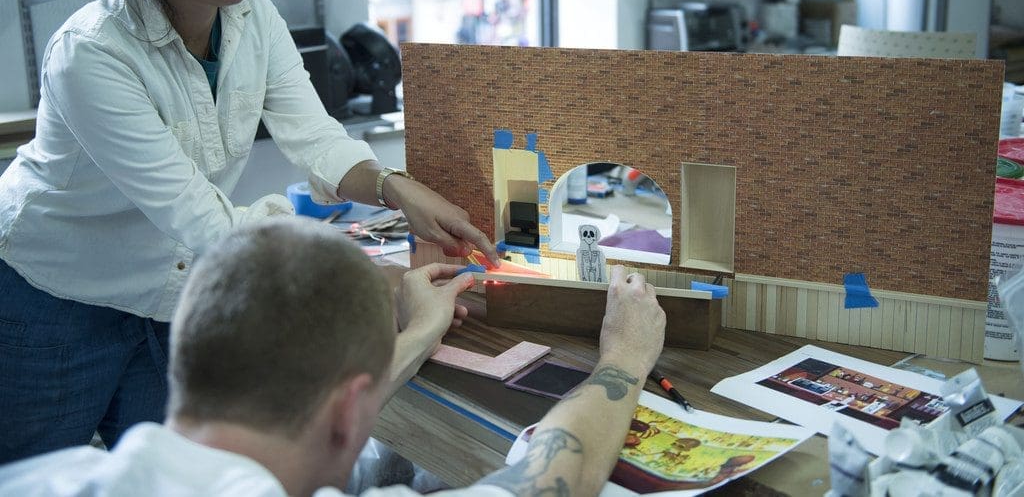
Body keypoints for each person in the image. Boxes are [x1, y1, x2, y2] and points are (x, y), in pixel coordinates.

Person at [0, 0, 496, 464]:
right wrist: (370, 285)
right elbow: (205, 222)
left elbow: (313, 134)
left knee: (175, 473)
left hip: (170, 292)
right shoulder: (92, 55)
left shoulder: (253, 15)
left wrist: (395, 188)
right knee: (33, 473)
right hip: (52, 294)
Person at [0, 216, 667, 497]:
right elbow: (554, 477)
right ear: (351, 410)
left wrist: (418, 332)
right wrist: (627, 355)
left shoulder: (44, 478)